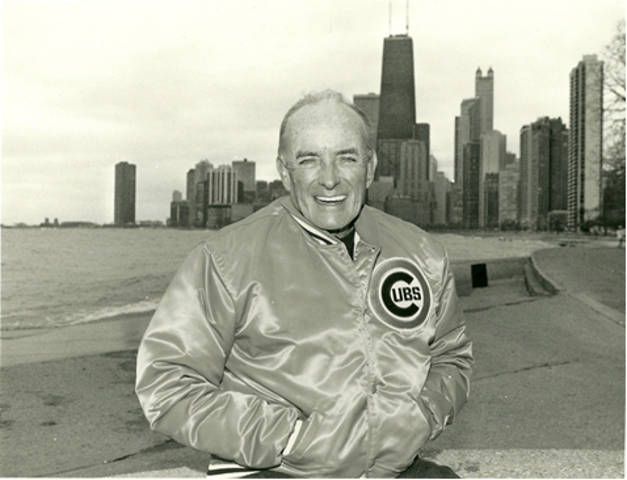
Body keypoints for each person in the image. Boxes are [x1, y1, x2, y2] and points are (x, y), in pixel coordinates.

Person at [135, 90, 473, 478]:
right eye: (309, 160)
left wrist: (425, 414)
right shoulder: (226, 259)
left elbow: (452, 356)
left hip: (394, 470)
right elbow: (165, 383)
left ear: (370, 165)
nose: (329, 179)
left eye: (346, 158)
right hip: (274, 470)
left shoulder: (421, 253)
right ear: (284, 170)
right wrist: (289, 438)